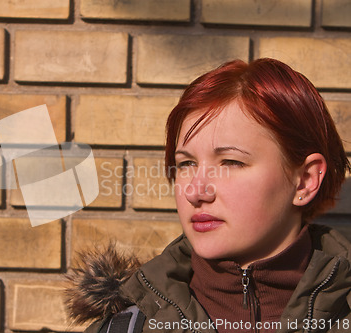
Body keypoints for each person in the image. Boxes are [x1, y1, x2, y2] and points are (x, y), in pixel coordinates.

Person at [65, 58, 351, 333]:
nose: (194, 191)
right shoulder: (124, 327)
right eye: (186, 163)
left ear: (305, 181)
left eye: (231, 162)